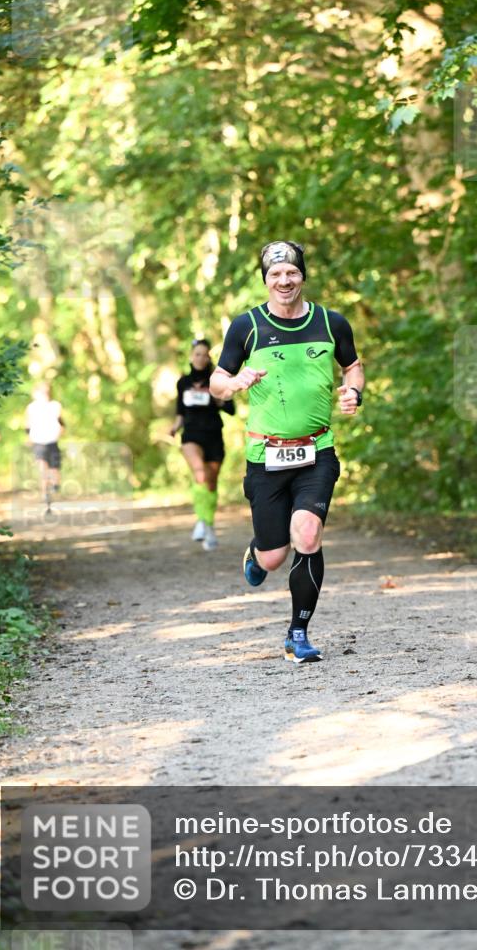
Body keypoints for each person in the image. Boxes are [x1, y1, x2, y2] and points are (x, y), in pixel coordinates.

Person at [210, 240, 364, 663]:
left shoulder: (331, 323)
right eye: (275, 274)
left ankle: (298, 632)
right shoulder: (248, 327)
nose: (284, 280)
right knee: (274, 556)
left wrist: (353, 391)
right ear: (265, 279)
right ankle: (258, 552)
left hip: (317, 449)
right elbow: (216, 381)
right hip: (266, 455)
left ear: (303, 276)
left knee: (308, 535)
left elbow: (352, 366)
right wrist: (235, 382)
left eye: (292, 273)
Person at [171, 339, 235, 551]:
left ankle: (208, 524)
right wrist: (174, 427)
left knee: (211, 483)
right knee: (199, 473)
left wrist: (219, 399)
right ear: (191, 357)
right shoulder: (183, 382)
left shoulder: (216, 380)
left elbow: (231, 408)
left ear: (209, 357)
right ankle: (200, 521)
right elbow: (180, 411)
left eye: (204, 354)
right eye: (197, 354)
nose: (200, 358)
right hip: (191, 434)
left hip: (213, 434)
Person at [26, 382, 64, 514]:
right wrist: (28, 438)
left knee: (54, 470)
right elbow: (28, 425)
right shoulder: (31, 407)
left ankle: (54, 486)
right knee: (42, 468)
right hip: (38, 442)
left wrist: (60, 431)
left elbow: (61, 422)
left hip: (52, 441)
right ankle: (45, 496)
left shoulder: (55, 406)